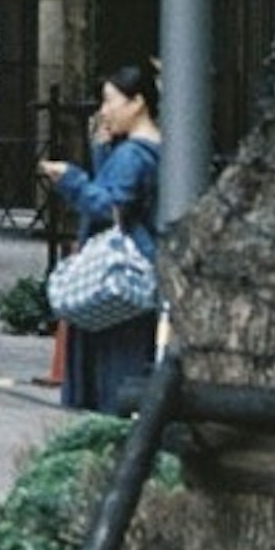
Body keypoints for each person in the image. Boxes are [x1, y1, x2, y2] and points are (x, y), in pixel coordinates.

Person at [42, 58, 165, 424]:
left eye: (110, 101)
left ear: (137, 102)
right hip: (143, 273)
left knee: (113, 373)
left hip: (119, 280)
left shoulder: (133, 155)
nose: (104, 110)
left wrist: (70, 179)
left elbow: (109, 205)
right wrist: (101, 151)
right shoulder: (153, 149)